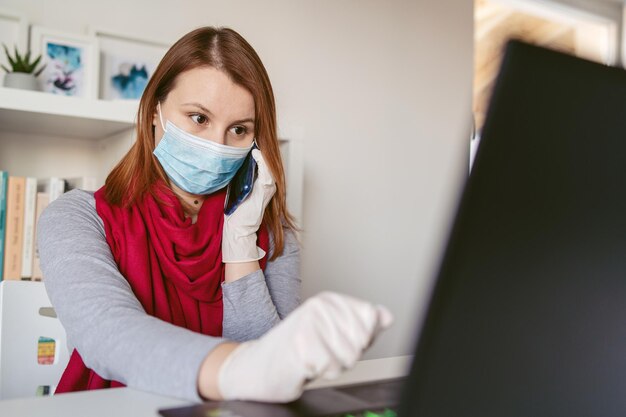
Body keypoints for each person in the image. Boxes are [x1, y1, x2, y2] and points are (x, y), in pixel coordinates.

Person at [37, 26, 392, 403]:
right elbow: (109, 334)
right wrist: (238, 368)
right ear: (155, 111)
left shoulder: (272, 235)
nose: (216, 145)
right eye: (199, 118)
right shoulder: (76, 217)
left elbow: (271, 375)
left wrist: (240, 242)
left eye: (238, 129)